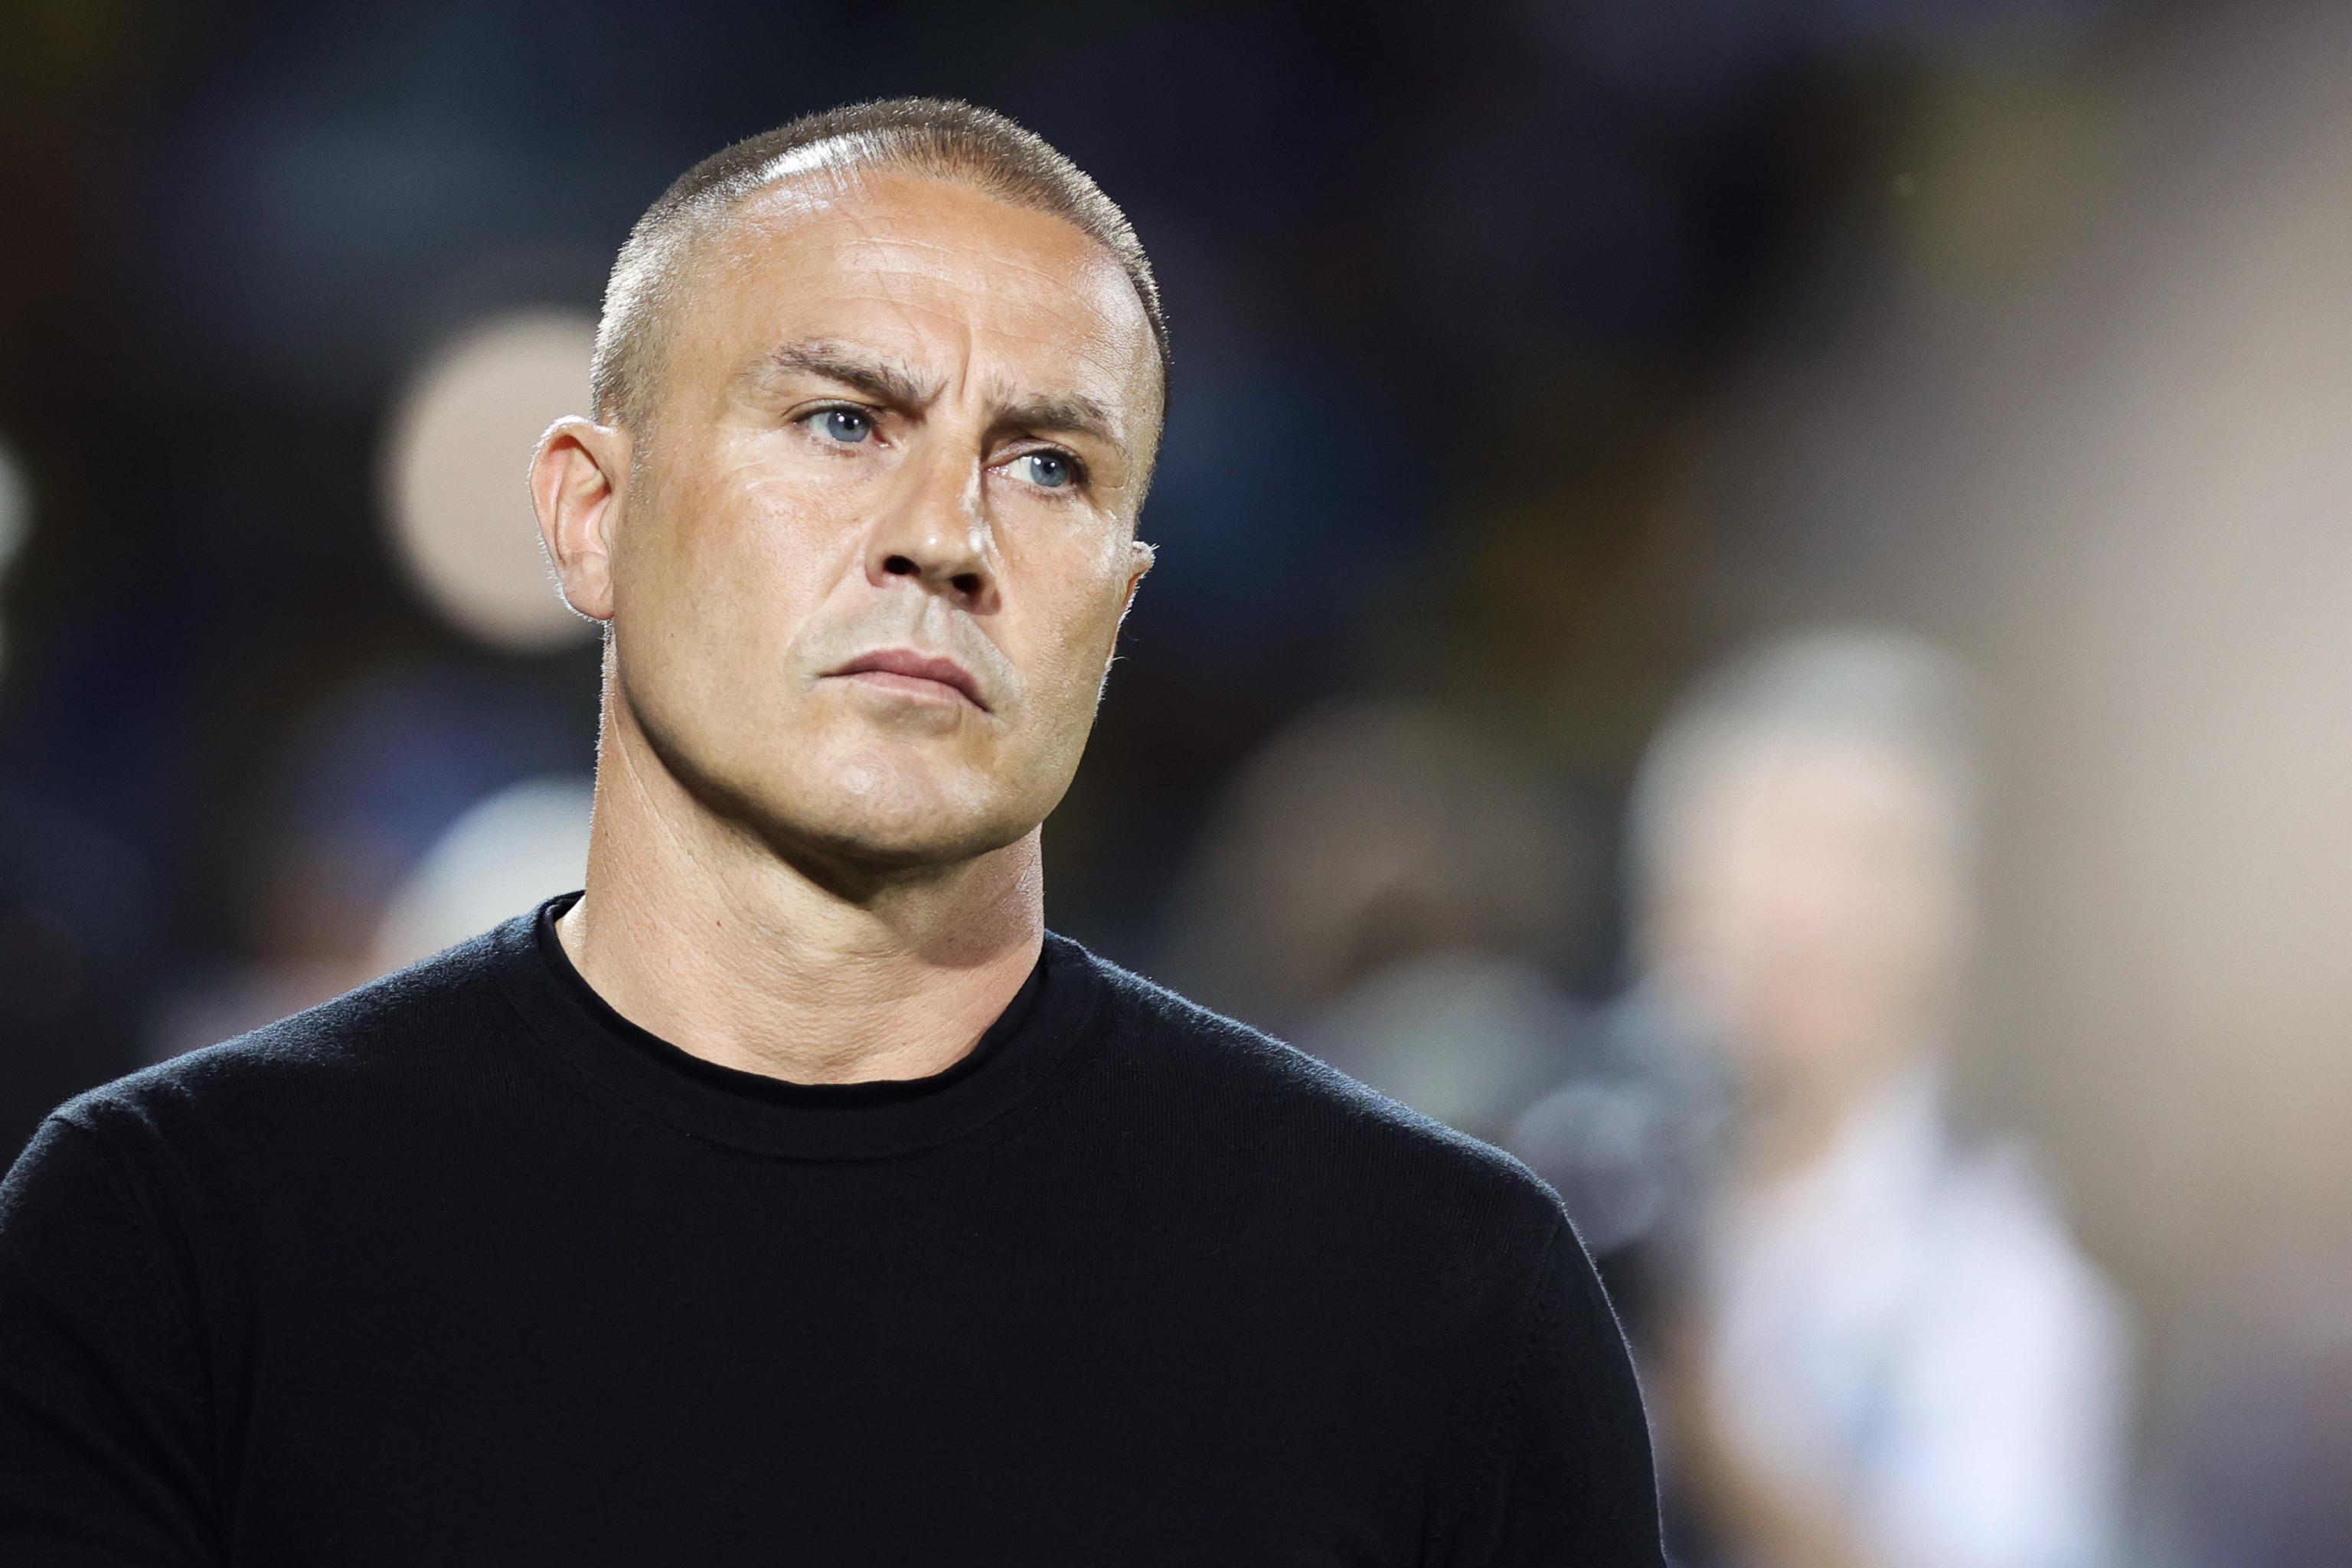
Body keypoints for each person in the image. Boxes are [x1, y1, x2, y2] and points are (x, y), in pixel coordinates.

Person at [0, 99, 1663, 1563]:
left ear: (1120, 600)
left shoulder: (1435, 1295)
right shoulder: (177, 1241)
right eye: (845, 421)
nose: (944, 535)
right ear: (592, 513)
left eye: (1049, 467)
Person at [1594, 632, 2131, 1568]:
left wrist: (1721, 1449)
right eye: (1773, 843)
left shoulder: (2002, 1285)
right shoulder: (1566, 1164)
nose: (1808, 906)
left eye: (1870, 858)